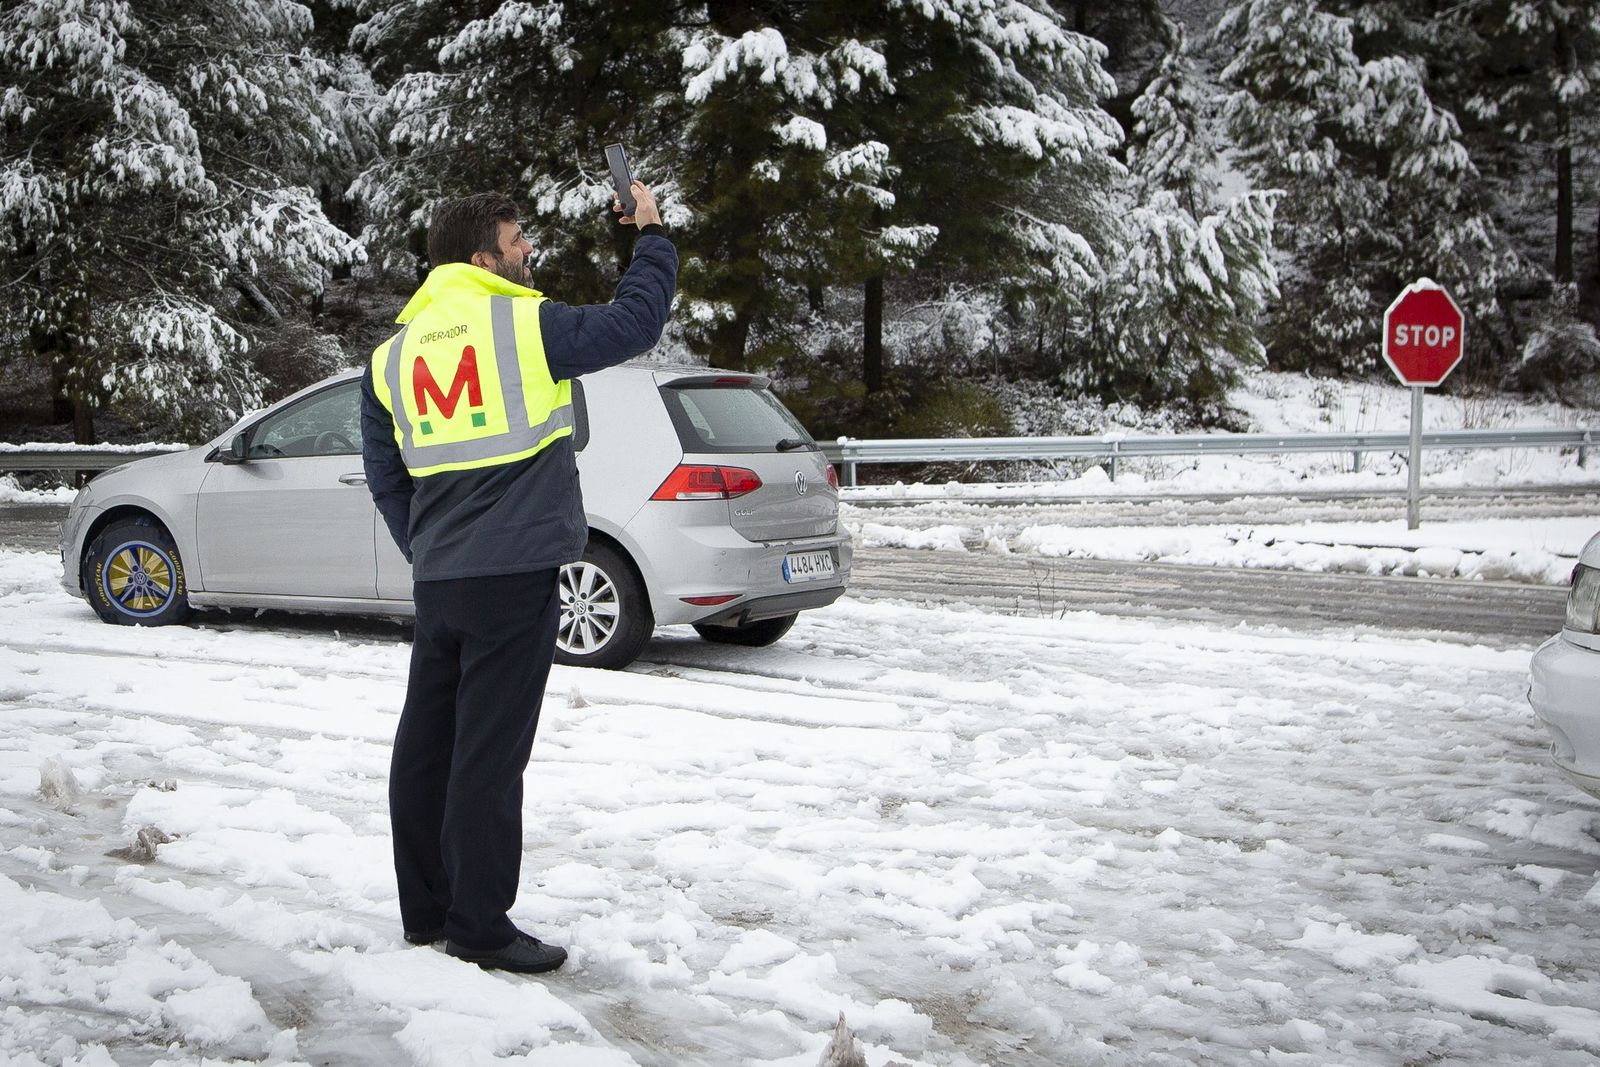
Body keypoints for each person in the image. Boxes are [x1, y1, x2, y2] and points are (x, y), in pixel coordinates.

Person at [360, 181, 676, 973]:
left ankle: (427, 910)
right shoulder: (518, 323)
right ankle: (481, 926)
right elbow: (635, 322)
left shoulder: (390, 356)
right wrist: (653, 235)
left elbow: (385, 474)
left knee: (428, 746)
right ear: (480, 259)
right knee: (489, 757)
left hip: (443, 579)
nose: (527, 250)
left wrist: (428, 548)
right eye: (515, 241)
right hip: (514, 574)